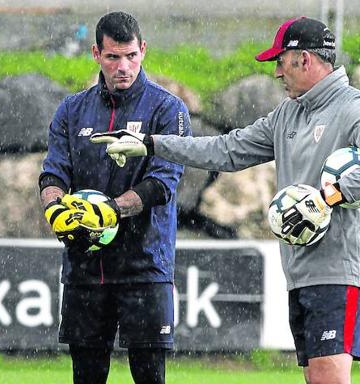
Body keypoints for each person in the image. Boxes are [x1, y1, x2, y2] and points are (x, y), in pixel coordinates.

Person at [91, 16, 360, 384]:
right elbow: (225, 150)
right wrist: (151, 143)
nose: (277, 73)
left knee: (330, 378)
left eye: (279, 62)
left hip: (339, 271)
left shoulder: (352, 108)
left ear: (303, 59)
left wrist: (328, 196)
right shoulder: (288, 114)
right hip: (301, 273)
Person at [39, 11, 191, 384]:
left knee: (149, 377)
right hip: (85, 267)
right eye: (112, 57)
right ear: (96, 53)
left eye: (131, 56)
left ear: (143, 50)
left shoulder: (168, 109)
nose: (123, 67)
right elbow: (52, 174)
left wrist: (109, 211)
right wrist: (55, 207)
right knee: (86, 377)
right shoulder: (71, 111)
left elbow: (162, 184)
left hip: (146, 267)